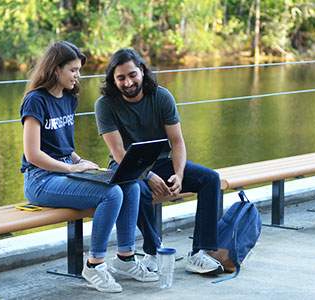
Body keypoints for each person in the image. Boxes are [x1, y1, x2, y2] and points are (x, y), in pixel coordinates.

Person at [20, 41, 158, 293]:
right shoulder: (35, 101)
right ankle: (94, 264)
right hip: (40, 179)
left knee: (129, 184)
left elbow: (60, 145)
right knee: (111, 193)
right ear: (55, 70)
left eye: (78, 70)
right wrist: (72, 169)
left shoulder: (68, 98)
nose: (77, 76)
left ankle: (126, 258)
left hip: (63, 172)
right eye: (73, 70)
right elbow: (33, 154)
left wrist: (78, 161)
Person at [95, 48, 224, 275]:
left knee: (210, 179)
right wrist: (148, 175)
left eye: (132, 74)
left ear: (142, 71)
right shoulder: (105, 104)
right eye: (121, 78)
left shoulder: (162, 96)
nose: (128, 82)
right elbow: (117, 152)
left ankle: (200, 253)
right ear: (113, 80)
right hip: (126, 165)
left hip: (161, 162)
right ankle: (153, 251)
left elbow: (177, 142)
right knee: (139, 190)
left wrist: (179, 174)